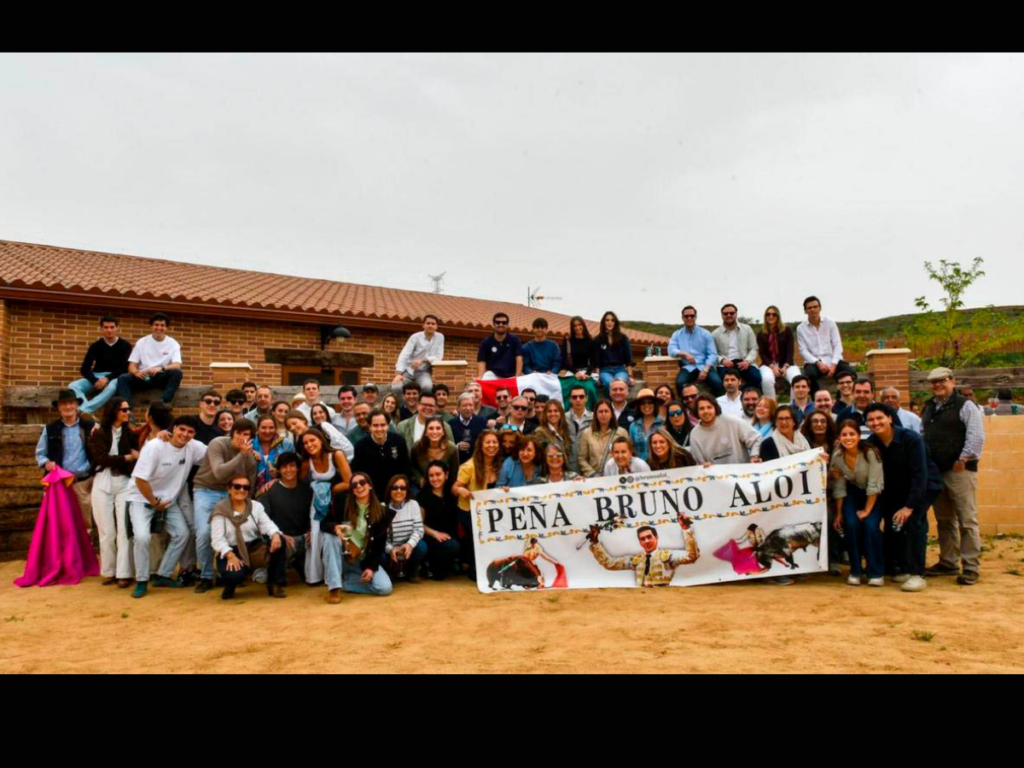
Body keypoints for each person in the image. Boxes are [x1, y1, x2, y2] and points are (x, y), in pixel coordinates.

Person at [125, 416, 207, 598]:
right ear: (174, 428)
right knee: (142, 537)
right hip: (141, 498)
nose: (185, 434)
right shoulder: (155, 446)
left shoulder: (194, 447)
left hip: (168, 501)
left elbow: (217, 452)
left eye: (190, 432)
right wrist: (154, 502)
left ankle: (163, 575)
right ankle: (141, 580)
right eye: (182, 429)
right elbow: (140, 479)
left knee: (182, 534)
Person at [866, 404, 944, 593]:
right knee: (894, 524)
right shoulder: (872, 443)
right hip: (895, 490)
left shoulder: (911, 439)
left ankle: (917, 574)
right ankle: (902, 568)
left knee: (914, 523)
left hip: (924, 486)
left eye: (879, 418)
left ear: (890, 418)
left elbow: (920, 474)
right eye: (871, 420)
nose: (876, 423)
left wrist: (909, 506)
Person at [921, 368, 986, 585]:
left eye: (942, 380)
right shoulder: (929, 406)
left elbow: (976, 437)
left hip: (959, 470)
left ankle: (971, 566)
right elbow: (923, 434)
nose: (937, 385)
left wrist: (963, 460)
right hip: (936, 470)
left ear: (952, 381)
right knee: (944, 520)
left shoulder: (965, 405)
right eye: (934, 382)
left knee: (967, 519)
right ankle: (948, 561)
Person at [190, 418, 260, 593]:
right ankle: (206, 576)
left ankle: (227, 573)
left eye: (246, 435)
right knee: (204, 533)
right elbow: (219, 473)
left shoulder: (251, 458)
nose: (241, 437)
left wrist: (246, 505)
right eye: (238, 433)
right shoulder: (218, 444)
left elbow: (250, 485)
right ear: (232, 433)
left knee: (234, 533)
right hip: (206, 489)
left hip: (232, 494)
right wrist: (241, 455)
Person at [319, 472, 394, 603]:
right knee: (330, 537)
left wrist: (371, 568)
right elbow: (323, 524)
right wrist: (335, 527)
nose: (358, 486)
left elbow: (379, 547)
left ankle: (345, 582)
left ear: (370, 485)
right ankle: (334, 588)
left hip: (362, 560)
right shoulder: (342, 503)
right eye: (354, 485)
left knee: (384, 588)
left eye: (362, 482)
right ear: (352, 490)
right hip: (340, 557)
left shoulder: (382, 512)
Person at [87, 397, 139, 587]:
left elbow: (138, 453)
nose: (127, 412)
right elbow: (101, 459)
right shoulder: (99, 432)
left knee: (124, 530)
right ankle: (109, 570)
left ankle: (124, 572)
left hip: (124, 482)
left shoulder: (130, 432)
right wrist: (127, 457)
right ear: (114, 411)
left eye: (128, 409)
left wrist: (129, 458)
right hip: (103, 480)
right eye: (124, 410)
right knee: (106, 531)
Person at [211, 472, 286, 600]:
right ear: (229, 489)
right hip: (231, 550)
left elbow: (267, 524)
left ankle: (274, 583)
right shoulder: (220, 509)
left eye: (245, 487)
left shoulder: (255, 506)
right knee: (234, 575)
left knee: (280, 541)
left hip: (253, 549)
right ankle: (230, 585)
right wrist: (230, 555)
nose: (241, 490)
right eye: (237, 486)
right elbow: (217, 539)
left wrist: (275, 534)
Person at [831, 420, 885, 587]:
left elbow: (875, 483)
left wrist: (867, 510)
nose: (848, 438)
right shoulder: (837, 457)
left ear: (859, 436)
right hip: (852, 494)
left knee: (870, 526)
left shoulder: (870, 453)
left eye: (852, 434)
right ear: (839, 437)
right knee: (851, 524)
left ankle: (875, 572)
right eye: (844, 435)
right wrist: (839, 513)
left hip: (873, 495)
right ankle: (855, 570)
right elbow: (839, 486)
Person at [36, 389, 95, 531]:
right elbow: (40, 454)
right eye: (63, 404)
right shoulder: (50, 429)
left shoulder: (90, 426)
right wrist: (46, 463)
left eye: (71, 403)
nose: (68, 407)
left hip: (82, 482)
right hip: (58, 485)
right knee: (59, 524)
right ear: (58, 407)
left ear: (77, 405)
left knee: (84, 526)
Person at [301, 427, 352, 586]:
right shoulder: (306, 462)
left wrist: (328, 489)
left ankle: (336, 573)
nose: (309, 445)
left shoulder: (336, 455)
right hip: (317, 503)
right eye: (305, 443)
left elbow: (349, 481)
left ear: (321, 440)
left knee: (334, 536)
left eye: (312, 440)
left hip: (337, 502)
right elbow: (299, 482)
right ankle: (316, 576)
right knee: (316, 535)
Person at [587, 516, 699, 587]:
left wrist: (686, 529)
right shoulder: (636, 559)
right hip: (641, 601)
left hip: (664, 600)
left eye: (649, 537)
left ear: (656, 537)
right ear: (639, 542)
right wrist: (595, 542)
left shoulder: (669, 556)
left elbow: (691, 556)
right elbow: (610, 564)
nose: (646, 541)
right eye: (643, 539)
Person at [258, 451, 312, 591]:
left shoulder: (307, 490)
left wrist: (312, 531)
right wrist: (279, 534)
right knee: (279, 543)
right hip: (283, 540)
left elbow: (312, 515)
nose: (288, 470)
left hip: (304, 540)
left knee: (312, 579)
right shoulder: (269, 491)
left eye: (292, 466)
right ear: (279, 470)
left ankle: (296, 561)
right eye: (284, 467)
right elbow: (263, 520)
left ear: (298, 468)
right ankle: (276, 579)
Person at [453, 430, 502, 579]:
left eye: (494, 442)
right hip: (470, 513)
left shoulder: (501, 465)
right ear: (480, 445)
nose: (491, 445)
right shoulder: (469, 466)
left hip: (495, 514)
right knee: (476, 574)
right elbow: (454, 488)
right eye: (487, 442)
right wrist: (461, 490)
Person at [801, 409, 841, 574]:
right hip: (807, 494)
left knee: (830, 517)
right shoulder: (802, 444)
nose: (819, 424)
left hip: (831, 493)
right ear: (809, 425)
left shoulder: (836, 444)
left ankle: (833, 560)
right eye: (815, 421)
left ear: (828, 424)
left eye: (823, 421)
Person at [69, 316, 133, 415]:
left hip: (115, 377)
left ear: (117, 328)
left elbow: (124, 369)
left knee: (111, 388)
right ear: (101, 329)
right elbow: (84, 369)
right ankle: (85, 409)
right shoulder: (95, 346)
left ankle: (86, 410)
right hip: (97, 376)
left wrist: (107, 378)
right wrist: (95, 381)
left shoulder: (125, 345)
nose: (109, 330)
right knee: (73, 386)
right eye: (106, 327)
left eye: (112, 327)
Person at [115, 313, 184, 407]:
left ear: (166, 327)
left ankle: (163, 403)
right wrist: (136, 372)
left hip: (161, 378)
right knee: (122, 378)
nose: (159, 328)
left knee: (177, 373)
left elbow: (177, 364)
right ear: (151, 326)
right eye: (156, 325)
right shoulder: (142, 342)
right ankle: (127, 409)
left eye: (162, 325)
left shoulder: (173, 343)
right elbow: (131, 365)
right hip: (146, 378)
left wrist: (161, 368)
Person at [797, 297, 856, 395]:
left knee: (850, 373)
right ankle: (817, 400)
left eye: (815, 307)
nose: (812, 309)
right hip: (813, 362)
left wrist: (833, 364)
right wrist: (818, 362)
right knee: (809, 376)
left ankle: (841, 399)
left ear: (820, 308)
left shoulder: (830, 323)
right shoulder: (800, 328)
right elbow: (803, 350)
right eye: (809, 308)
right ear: (805, 311)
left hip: (832, 360)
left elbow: (837, 345)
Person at [687, 395, 763, 466]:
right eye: (702, 408)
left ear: (715, 408)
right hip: (714, 475)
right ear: (696, 411)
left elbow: (756, 439)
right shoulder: (695, 434)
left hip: (742, 472)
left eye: (709, 407)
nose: (706, 411)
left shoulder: (732, 421)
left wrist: (754, 456)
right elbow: (699, 463)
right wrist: (704, 466)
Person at [352, 409, 413, 498]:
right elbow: (358, 473)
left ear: (388, 425)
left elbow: (405, 469)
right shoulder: (361, 446)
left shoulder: (398, 441)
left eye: (383, 425)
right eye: (375, 425)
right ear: (369, 426)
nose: (379, 429)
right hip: (372, 494)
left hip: (396, 490)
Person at [418, 460, 462, 580]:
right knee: (439, 576)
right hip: (432, 539)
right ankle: (428, 563)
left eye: (438, 474)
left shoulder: (452, 493)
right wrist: (435, 533)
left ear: (446, 475)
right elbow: (419, 524)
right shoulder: (423, 496)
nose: (435, 478)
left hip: (451, 536)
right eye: (431, 475)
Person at [668, 306, 722, 397]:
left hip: (705, 366)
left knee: (717, 383)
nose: (689, 318)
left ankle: (715, 404)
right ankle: (685, 405)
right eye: (686, 316)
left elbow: (713, 354)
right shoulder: (677, 334)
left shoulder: (706, 334)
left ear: (695, 317)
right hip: (688, 367)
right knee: (679, 383)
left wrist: (705, 370)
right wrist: (685, 354)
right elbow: (671, 350)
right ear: (682, 318)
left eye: (692, 316)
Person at [381, 475, 426, 583]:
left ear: (407, 490)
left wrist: (409, 544)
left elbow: (419, 529)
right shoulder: (382, 507)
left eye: (403, 488)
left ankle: (412, 572)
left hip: (407, 547)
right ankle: (390, 573)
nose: (399, 491)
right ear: (389, 490)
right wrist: (391, 549)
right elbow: (380, 537)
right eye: (395, 488)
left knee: (422, 546)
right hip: (390, 549)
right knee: (380, 553)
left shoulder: (413, 504)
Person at [712, 303, 762, 391]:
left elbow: (754, 348)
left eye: (731, 313)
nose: (729, 315)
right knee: (721, 383)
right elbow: (712, 353)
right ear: (722, 315)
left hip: (743, 361)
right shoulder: (715, 333)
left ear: (736, 314)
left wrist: (747, 361)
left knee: (756, 378)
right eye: (725, 313)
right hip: (725, 364)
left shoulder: (747, 329)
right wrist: (722, 360)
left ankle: (741, 395)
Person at [393, 314, 444, 394]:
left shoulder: (440, 337)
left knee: (427, 387)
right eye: (428, 323)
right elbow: (404, 355)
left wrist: (422, 360)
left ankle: (421, 402)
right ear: (423, 325)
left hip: (424, 372)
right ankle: (404, 403)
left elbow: (439, 357)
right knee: (396, 387)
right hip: (408, 370)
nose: (430, 325)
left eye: (433, 324)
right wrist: (399, 374)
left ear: (436, 326)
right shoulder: (415, 337)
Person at [577, 400, 630, 477]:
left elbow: (628, 455)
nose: (603, 414)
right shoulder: (587, 433)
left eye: (606, 411)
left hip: (615, 476)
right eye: (600, 412)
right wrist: (592, 474)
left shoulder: (622, 432)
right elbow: (582, 459)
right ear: (596, 415)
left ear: (611, 414)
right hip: (594, 478)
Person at [756, 305, 800, 399]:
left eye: (774, 314)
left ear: (778, 316)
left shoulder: (787, 330)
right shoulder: (761, 334)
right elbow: (762, 353)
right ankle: (771, 405)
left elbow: (790, 350)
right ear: (765, 316)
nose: (771, 316)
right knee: (766, 380)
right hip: (768, 364)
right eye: (768, 314)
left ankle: (794, 406)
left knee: (797, 379)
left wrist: (785, 366)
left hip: (786, 364)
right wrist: (772, 366)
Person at [559, 315, 601, 409]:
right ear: (572, 328)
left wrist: (588, 373)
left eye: (579, 325)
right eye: (575, 326)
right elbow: (564, 360)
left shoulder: (590, 341)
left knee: (589, 388)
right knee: (564, 388)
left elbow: (593, 360)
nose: (577, 327)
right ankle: (566, 413)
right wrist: (575, 372)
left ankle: (589, 413)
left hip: (586, 373)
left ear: (583, 325)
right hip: (571, 372)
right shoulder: (568, 341)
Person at [411, 415, 459, 492]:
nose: (434, 432)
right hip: (422, 490)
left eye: (438, 428)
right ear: (426, 432)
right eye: (431, 428)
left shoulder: (452, 449)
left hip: (445, 490)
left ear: (443, 432)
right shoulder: (416, 448)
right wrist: (419, 480)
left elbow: (453, 474)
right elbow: (413, 467)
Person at [594, 311, 635, 395]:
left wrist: (630, 376)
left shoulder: (623, 338)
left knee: (619, 383)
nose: (610, 322)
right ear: (603, 322)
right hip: (605, 370)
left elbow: (628, 359)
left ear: (615, 323)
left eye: (612, 320)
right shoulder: (598, 339)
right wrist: (597, 378)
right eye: (607, 320)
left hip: (620, 370)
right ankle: (612, 403)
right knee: (609, 383)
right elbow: (596, 361)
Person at [253, 415, 295, 494]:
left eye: (271, 428)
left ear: (276, 429)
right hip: (252, 492)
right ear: (257, 429)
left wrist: (278, 477)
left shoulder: (285, 444)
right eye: (263, 427)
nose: (267, 431)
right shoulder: (250, 445)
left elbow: (294, 469)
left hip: (280, 490)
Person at [535, 398, 578, 471]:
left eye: (556, 411)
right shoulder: (540, 432)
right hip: (549, 471)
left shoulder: (566, 430)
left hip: (567, 471)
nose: (553, 414)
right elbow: (541, 457)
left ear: (561, 413)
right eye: (549, 411)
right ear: (545, 414)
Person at [477, 312, 523, 379]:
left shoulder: (515, 340)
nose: (501, 324)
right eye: (498, 322)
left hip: (512, 375)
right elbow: (482, 361)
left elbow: (519, 358)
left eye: (504, 323)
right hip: (493, 375)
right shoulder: (485, 342)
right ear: (494, 324)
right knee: (485, 378)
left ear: (507, 325)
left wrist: (517, 376)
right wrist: (480, 377)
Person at [449, 391, 488, 467]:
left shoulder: (482, 422)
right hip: (458, 465)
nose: (468, 408)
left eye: (470, 405)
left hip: (477, 465)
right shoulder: (451, 424)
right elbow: (447, 445)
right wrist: (457, 447)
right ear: (458, 408)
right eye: (465, 405)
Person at [628, 388, 663, 463]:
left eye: (650, 402)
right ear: (639, 406)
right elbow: (631, 449)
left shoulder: (663, 424)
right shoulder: (633, 426)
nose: (646, 405)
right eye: (642, 403)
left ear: (655, 404)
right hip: (639, 466)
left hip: (659, 465)